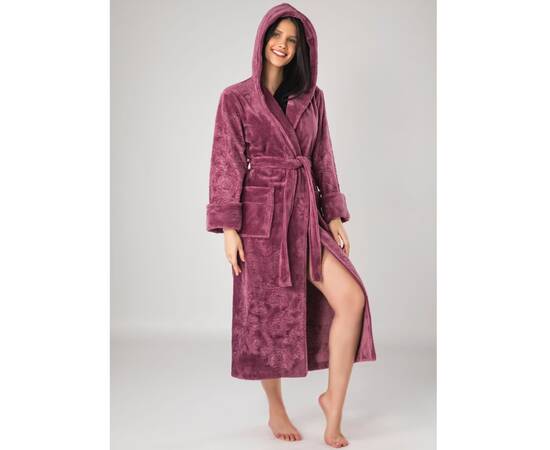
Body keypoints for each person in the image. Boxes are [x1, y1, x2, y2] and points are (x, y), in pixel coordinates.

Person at [206, 3, 376, 448]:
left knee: (352, 299)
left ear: (302, 49)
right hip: (261, 222)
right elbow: (226, 163)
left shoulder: (312, 98)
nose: (282, 44)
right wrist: (229, 228)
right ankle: (275, 406)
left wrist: (333, 214)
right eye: (276, 35)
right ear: (263, 39)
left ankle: (333, 406)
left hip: (305, 215)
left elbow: (322, 157)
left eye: (292, 39)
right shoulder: (235, 98)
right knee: (269, 318)